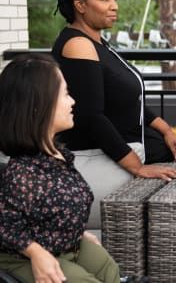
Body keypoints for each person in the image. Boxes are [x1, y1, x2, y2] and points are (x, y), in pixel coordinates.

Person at [52, 0, 176, 228]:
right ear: (80, 5)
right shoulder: (78, 45)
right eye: (105, 0)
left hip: (139, 144)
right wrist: (138, 168)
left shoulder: (98, 42)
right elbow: (91, 117)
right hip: (106, 155)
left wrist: (165, 129)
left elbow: (127, 98)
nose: (114, 7)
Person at [0, 54, 120, 283]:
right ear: (38, 105)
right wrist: (35, 253)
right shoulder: (22, 173)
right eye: (65, 94)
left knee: (108, 268)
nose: (72, 101)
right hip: (19, 254)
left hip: (63, 244)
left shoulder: (58, 156)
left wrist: (75, 231)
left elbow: (49, 210)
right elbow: (6, 226)